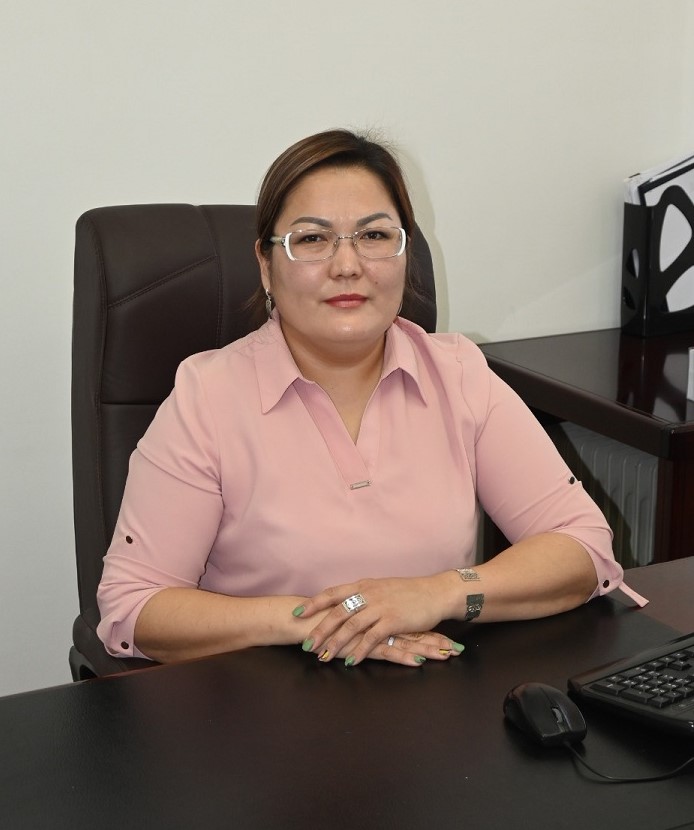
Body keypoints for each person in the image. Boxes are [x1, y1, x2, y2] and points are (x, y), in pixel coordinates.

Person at [97, 128, 645, 669]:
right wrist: (319, 623)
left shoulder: (458, 375)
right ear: (266, 265)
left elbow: (582, 546)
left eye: (375, 236)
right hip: (259, 700)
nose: (347, 265)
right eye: (312, 240)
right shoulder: (207, 398)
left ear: (405, 254)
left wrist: (439, 593)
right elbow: (134, 608)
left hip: (431, 691)